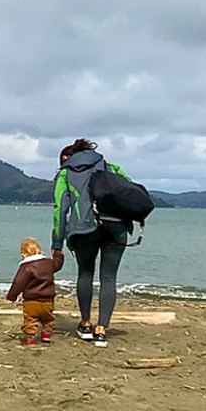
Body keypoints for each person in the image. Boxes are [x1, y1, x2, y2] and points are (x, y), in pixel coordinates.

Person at [51, 138, 133, 348]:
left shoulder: (66, 174)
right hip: (116, 227)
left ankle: (86, 324)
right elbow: (128, 189)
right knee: (109, 278)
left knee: (85, 274)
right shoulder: (109, 166)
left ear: (69, 157)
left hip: (84, 230)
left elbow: (60, 210)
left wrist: (57, 243)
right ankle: (102, 329)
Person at [6, 237, 64, 346]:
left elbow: (19, 283)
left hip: (31, 301)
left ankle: (30, 338)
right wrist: (57, 253)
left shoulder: (26, 267)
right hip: (48, 300)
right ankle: (46, 335)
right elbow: (58, 264)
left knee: (30, 320)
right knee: (48, 319)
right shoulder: (48, 264)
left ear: (24, 254)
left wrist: (12, 296)